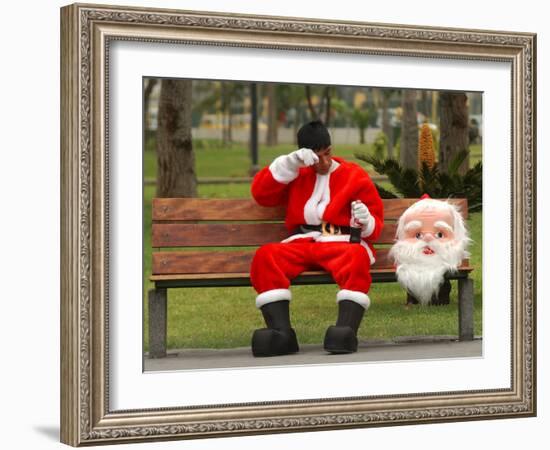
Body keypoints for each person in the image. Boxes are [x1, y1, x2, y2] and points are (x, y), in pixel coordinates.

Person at [249, 120, 384, 356]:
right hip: (301, 242)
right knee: (266, 256)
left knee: (356, 256)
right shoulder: (295, 173)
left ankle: (346, 330)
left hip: (339, 243)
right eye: (316, 157)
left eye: (327, 154)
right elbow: (261, 195)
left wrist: (365, 221)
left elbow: (375, 227)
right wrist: (288, 164)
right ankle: (282, 334)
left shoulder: (354, 175)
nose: (323, 162)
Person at [389, 195, 471, 306]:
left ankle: (440, 298)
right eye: (418, 235)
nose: (427, 238)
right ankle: (413, 299)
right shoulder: (408, 255)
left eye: (440, 234)